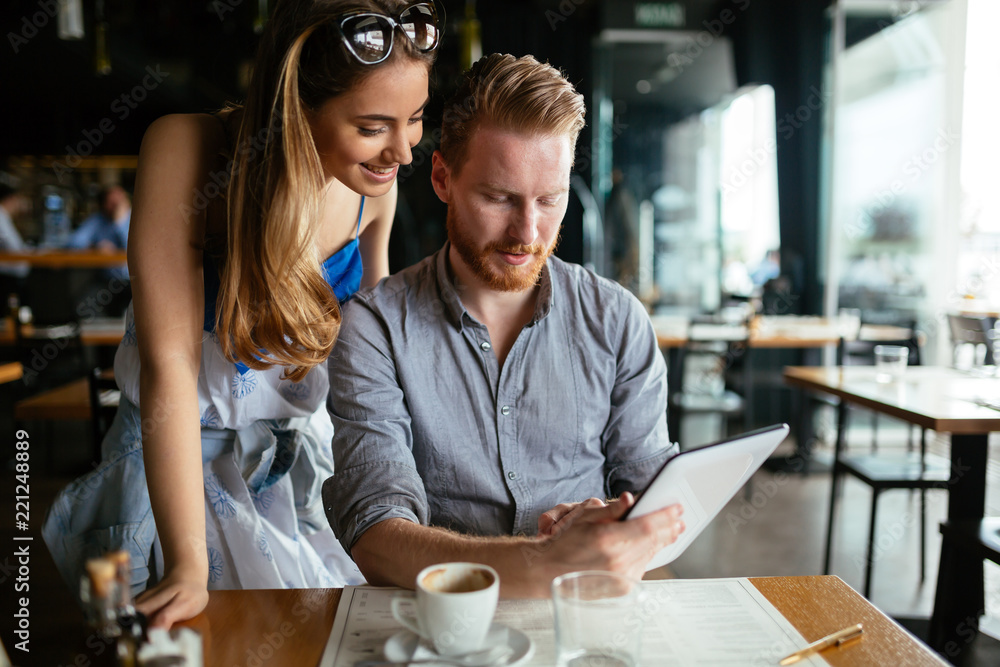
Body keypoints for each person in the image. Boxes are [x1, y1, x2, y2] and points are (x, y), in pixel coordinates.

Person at [42, 0, 441, 628]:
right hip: (176, 468)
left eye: (414, 119)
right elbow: (168, 370)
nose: (403, 153)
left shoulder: (375, 186)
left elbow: (374, 362)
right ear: (296, 107)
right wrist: (186, 568)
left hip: (297, 463)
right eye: (371, 127)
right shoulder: (185, 148)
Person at [323, 53, 685, 598]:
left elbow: (662, 505)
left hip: (586, 618)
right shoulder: (375, 329)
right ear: (442, 178)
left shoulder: (617, 320)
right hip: (438, 628)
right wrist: (543, 562)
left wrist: (614, 525)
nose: (527, 231)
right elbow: (375, 535)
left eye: (550, 199)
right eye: (499, 198)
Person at [67, 184, 132, 280]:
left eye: (119, 201)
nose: (117, 206)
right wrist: (95, 247)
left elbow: (134, 251)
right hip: (106, 280)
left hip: (133, 281)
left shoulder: (136, 219)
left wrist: (120, 223)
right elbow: (74, 243)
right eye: (112, 203)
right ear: (104, 205)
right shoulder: (97, 220)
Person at [0, 183, 31, 284]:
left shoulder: (4, 217)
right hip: (7, 277)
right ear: (10, 199)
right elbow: (13, 248)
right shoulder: (1, 218)